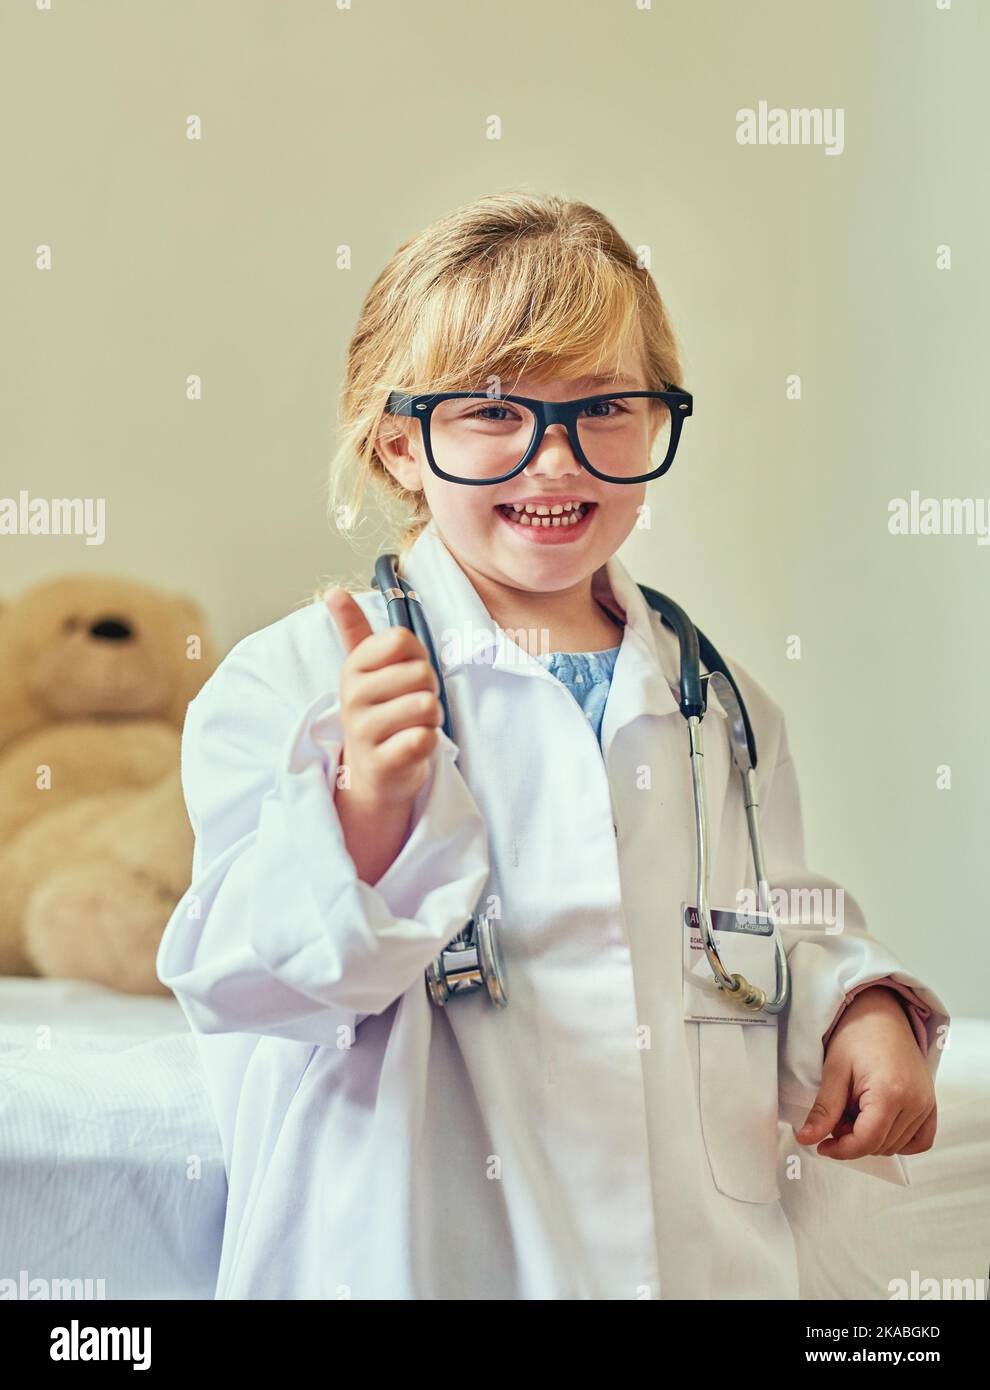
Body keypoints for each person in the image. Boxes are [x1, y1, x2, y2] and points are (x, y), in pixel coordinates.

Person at [157, 191, 950, 1300]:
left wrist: (858, 1006)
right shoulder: (295, 683)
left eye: (604, 405)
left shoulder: (718, 703)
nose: (555, 457)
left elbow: (763, 925)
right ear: (396, 442)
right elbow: (243, 983)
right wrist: (365, 817)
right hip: (416, 1257)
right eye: (492, 411)